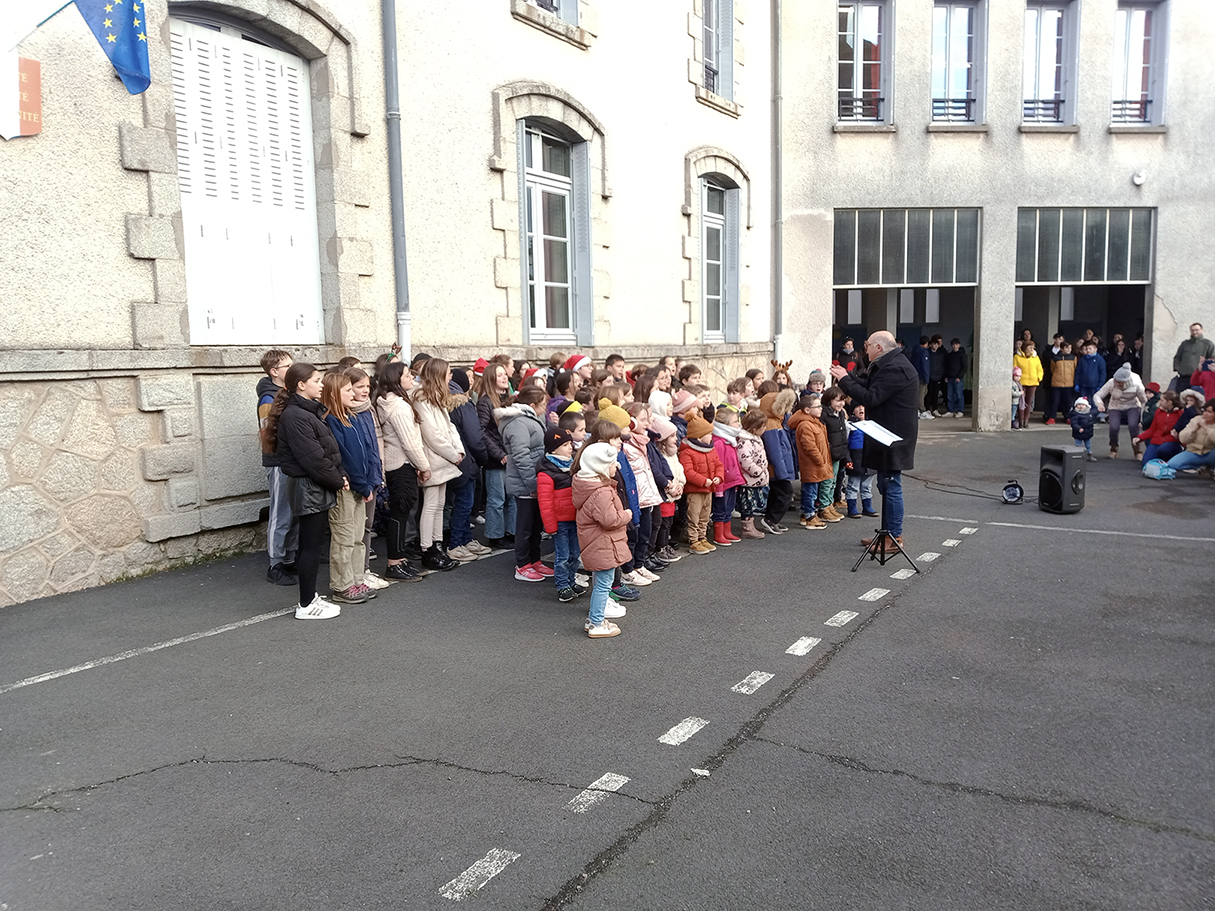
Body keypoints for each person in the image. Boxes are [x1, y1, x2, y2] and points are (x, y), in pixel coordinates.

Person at [264, 363, 346, 620]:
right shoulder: (296, 416)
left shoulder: (305, 412)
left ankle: (310, 597)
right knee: (310, 546)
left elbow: (322, 452)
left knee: (311, 543)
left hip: (313, 485)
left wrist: (338, 474)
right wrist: (338, 479)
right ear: (301, 385)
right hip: (308, 486)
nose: (321, 385)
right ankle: (306, 604)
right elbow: (313, 458)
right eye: (316, 380)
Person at [832, 331, 919, 551]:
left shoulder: (896, 368)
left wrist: (844, 380)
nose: (865, 349)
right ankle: (886, 534)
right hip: (884, 433)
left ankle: (893, 537)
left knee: (891, 484)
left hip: (894, 437)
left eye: (868, 345)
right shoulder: (887, 364)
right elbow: (867, 383)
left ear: (878, 348)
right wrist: (846, 377)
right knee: (884, 483)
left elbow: (871, 396)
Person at [320, 372, 376, 605]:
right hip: (346, 488)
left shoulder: (350, 417)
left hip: (359, 486)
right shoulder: (331, 420)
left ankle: (356, 579)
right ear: (334, 394)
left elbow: (364, 452)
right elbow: (346, 457)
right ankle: (342, 585)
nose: (354, 393)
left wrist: (367, 482)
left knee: (357, 536)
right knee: (343, 538)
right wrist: (363, 484)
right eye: (348, 390)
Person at [409, 358, 465, 571]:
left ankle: (437, 544)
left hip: (443, 458)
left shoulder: (434, 398)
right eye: (449, 373)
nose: (451, 376)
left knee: (438, 505)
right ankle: (427, 549)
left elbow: (449, 427)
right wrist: (453, 454)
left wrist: (458, 450)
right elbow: (432, 434)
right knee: (431, 505)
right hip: (433, 459)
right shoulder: (422, 399)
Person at [571, 441, 631, 638]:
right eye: (613, 464)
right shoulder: (602, 492)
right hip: (604, 543)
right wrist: (627, 514)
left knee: (600, 582)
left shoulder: (586, 486)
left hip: (596, 542)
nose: (617, 467)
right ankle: (596, 622)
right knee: (604, 583)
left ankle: (594, 618)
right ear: (602, 467)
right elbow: (610, 519)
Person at [375, 361, 428, 583]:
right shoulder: (398, 406)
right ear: (397, 379)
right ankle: (394, 562)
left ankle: (400, 559)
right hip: (402, 464)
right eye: (407, 375)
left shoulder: (391, 403)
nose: (412, 379)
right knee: (400, 513)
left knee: (402, 512)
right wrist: (424, 466)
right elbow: (410, 442)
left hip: (400, 463)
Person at [344, 367, 391, 591]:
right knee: (355, 529)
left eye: (367, 386)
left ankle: (364, 571)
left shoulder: (367, 410)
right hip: (356, 481)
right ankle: (356, 574)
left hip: (371, 476)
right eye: (359, 386)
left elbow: (373, 446)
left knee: (367, 526)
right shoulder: (344, 413)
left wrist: (377, 475)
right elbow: (353, 451)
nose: (365, 390)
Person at [498, 384, 550, 582]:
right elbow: (521, 457)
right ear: (532, 404)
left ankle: (534, 560)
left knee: (536, 525)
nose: (545, 408)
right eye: (543, 404)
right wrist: (532, 485)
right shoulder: (517, 423)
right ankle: (522, 564)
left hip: (534, 480)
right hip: (525, 483)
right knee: (525, 526)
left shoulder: (528, 418)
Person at [257, 349, 299, 586]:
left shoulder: (288, 393)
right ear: (274, 371)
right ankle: (275, 563)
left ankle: (290, 556)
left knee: (294, 513)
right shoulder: (268, 399)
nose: (292, 370)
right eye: (287, 366)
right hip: (279, 463)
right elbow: (268, 435)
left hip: (292, 462)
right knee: (280, 513)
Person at [445, 368, 492, 563]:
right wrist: (482, 457)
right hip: (466, 458)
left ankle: (465, 539)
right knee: (464, 503)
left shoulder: (447, 401)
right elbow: (474, 436)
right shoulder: (462, 403)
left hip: (458, 458)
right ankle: (457, 543)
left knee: (460, 502)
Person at [536, 427, 583, 602]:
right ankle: (562, 585)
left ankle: (571, 581)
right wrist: (550, 526)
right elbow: (545, 503)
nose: (570, 447)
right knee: (562, 556)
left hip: (576, 518)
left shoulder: (574, 465)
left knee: (574, 554)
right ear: (553, 448)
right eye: (564, 445)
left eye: (570, 443)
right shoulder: (546, 472)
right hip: (560, 522)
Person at [620, 403, 663, 586]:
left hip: (647, 494)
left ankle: (639, 564)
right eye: (642, 419)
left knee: (645, 531)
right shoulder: (626, 444)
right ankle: (627, 570)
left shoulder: (644, 441)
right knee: (633, 535)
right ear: (630, 421)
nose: (647, 423)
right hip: (635, 495)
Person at [476, 363, 516, 549]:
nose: (504, 377)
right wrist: (498, 453)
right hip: (497, 458)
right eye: (499, 375)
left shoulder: (511, 399)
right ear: (491, 378)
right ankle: (495, 534)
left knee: (513, 497)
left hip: (512, 454)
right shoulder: (485, 401)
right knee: (497, 499)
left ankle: (512, 531)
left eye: (504, 374)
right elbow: (482, 431)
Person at [679, 412, 724, 554]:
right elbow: (688, 471)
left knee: (705, 515)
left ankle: (702, 537)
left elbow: (718, 465)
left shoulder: (710, 449)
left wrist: (718, 476)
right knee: (694, 516)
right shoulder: (687, 452)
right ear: (699, 437)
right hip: (695, 489)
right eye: (709, 434)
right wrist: (703, 481)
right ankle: (694, 541)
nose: (711, 436)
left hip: (708, 488)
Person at [788, 393, 832, 530]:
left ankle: (807, 513)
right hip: (812, 464)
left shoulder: (815, 422)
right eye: (817, 406)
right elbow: (809, 446)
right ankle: (809, 515)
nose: (821, 408)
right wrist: (820, 459)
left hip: (818, 464)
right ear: (807, 410)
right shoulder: (805, 425)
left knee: (812, 489)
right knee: (810, 491)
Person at [1094, 363, 1146, 459]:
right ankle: (1114, 448)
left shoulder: (1136, 383)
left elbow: (1144, 401)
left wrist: (1142, 418)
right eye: (1116, 381)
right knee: (1113, 427)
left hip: (1133, 405)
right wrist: (1100, 404)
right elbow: (1098, 395)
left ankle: (1137, 450)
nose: (1117, 383)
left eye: (1120, 382)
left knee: (1133, 425)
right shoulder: (1111, 382)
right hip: (1115, 406)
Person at [709, 407, 745, 546]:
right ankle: (719, 534)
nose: (738, 424)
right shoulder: (719, 442)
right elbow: (717, 464)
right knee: (720, 508)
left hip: (731, 480)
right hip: (723, 482)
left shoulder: (730, 440)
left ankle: (727, 531)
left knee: (729, 507)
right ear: (725, 425)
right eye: (735, 422)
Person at [735, 408, 770, 538]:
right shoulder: (745, 442)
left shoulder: (755, 439)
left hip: (756, 479)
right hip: (748, 481)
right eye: (763, 426)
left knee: (753, 503)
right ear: (755, 428)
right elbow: (745, 461)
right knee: (747, 505)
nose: (765, 428)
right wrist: (758, 471)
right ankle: (747, 528)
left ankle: (751, 526)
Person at [1164, 401, 1215, 475]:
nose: (1206, 414)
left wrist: (1206, 427)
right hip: (1193, 452)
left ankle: (1210, 466)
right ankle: (1200, 466)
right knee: (1172, 464)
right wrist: (1193, 430)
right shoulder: (1196, 419)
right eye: (1205, 411)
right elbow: (1182, 438)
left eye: (1210, 412)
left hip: (1210, 453)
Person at [844, 403, 877, 519]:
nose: (861, 408)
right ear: (853, 410)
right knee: (853, 485)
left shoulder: (872, 424)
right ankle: (852, 508)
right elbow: (845, 445)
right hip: (856, 459)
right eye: (858, 407)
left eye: (863, 406)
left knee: (867, 486)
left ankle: (867, 507)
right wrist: (847, 459)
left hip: (870, 460)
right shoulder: (850, 426)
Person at [1135, 391, 1183, 465]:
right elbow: (1152, 429)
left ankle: (1172, 458)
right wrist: (1139, 438)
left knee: (1163, 449)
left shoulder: (1179, 414)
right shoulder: (1158, 412)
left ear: (1169, 402)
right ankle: (1161, 461)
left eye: (1162, 400)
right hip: (1156, 441)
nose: (1159, 402)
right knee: (1146, 463)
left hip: (1171, 442)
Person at [1172, 323, 1215, 392]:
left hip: (1199, 378)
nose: (1194, 332)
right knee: (1180, 399)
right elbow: (1177, 357)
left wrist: (1205, 372)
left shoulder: (1208, 344)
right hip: (1184, 378)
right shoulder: (1185, 344)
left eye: (1197, 330)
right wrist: (1178, 369)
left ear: (1201, 330)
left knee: (1197, 399)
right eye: (1192, 330)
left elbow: (1212, 359)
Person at [1013, 340, 1044, 427]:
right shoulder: (1017, 357)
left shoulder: (1036, 357)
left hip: (1033, 382)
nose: (1032, 349)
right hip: (1021, 382)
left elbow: (1040, 369)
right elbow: (1014, 367)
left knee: (1029, 402)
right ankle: (1020, 420)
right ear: (1025, 348)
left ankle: (1026, 421)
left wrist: (1039, 377)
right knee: (1021, 402)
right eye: (1030, 347)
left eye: (1033, 348)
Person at [1074, 341, 1107, 419]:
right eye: (1087, 349)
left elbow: (1102, 373)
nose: (1088, 351)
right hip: (1083, 385)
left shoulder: (1100, 360)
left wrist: (1100, 385)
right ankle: (1084, 416)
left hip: (1094, 385)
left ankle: (1095, 416)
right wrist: (1076, 383)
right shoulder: (1083, 359)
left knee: (1094, 401)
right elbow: (1078, 372)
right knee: (1084, 402)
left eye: (1090, 349)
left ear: (1095, 349)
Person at [1046, 341, 1076, 424]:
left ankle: (1068, 417)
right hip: (1057, 383)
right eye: (1067, 348)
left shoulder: (1073, 358)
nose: (1069, 349)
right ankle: (1052, 417)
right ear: (1062, 348)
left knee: (1068, 402)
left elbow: (1075, 369)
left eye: (1070, 347)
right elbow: (1053, 369)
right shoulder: (1055, 358)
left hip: (1069, 383)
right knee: (1055, 401)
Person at [942, 338, 969, 418]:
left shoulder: (962, 355)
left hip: (958, 378)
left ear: (959, 345)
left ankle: (960, 411)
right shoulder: (950, 355)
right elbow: (947, 367)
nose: (954, 346)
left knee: (959, 395)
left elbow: (965, 366)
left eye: (956, 344)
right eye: (953, 344)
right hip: (950, 377)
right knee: (949, 395)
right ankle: (950, 410)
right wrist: (946, 376)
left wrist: (959, 376)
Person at [909, 336, 931, 419]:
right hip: (922, 376)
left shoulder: (915, 351)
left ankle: (917, 410)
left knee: (917, 393)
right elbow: (925, 366)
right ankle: (922, 410)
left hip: (915, 375)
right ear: (926, 343)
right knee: (922, 394)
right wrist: (927, 377)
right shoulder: (924, 352)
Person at [1068, 397, 1097, 461]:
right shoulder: (1075, 414)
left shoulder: (1089, 414)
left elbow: (1092, 420)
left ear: (1086, 406)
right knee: (1078, 445)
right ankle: (1078, 455)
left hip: (1088, 433)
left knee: (1088, 445)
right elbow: (1074, 423)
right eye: (1079, 404)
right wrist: (1078, 428)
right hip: (1078, 433)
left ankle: (1089, 454)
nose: (1081, 406)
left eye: (1083, 405)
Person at [926, 335, 947, 417]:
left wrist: (941, 375)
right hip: (929, 377)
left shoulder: (941, 355)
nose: (935, 346)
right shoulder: (927, 353)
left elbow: (943, 366)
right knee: (928, 394)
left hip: (938, 377)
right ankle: (927, 409)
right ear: (930, 345)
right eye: (933, 344)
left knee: (935, 394)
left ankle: (935, 409)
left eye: (936, 344)